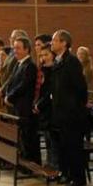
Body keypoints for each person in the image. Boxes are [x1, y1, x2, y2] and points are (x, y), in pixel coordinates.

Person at [51, 30, 89, 186]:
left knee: (74, 146)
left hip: (72, 114)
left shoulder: (71, 62)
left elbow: (80, 88)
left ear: (64, 43)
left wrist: (74, 108)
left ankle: (78, 178)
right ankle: (67, 173)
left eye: (54, 41)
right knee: (64, 146)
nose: (52, 43)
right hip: (60, 113)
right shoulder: (58, 61)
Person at [4, 36, 40, 163]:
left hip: (25, 107)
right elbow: (11, 81)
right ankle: (24, 160)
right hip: (17, 106)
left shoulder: (30, 66)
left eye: (18, 48)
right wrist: (7, 94)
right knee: (22, 137)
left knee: (28, 137)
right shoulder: (18, 64)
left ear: (27, 49)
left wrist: (10, 96)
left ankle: (31, 163)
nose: (15, 51)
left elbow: (24, 85)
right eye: (14, 48)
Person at [33, 44, 59, 172]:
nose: (43, 58)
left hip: (51, 109)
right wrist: (35, 103)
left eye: (46, 55)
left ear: (53, 55)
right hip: (42, 109)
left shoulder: (54, 70)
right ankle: (49, 163)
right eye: (41, 55)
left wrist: (40, 104)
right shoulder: (41, 70)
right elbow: (38, 89)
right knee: (47, 139)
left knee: (53, 140)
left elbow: (50, 91)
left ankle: (55, 166)